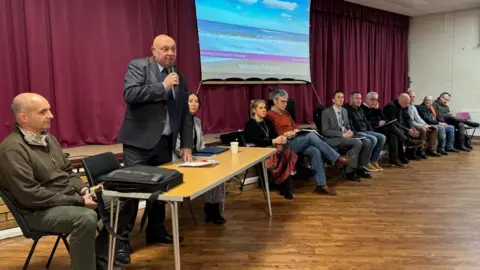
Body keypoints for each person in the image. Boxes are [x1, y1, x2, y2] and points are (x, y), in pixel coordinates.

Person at [0, 93, 134, 270]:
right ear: (23, 117)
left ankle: (99, 257)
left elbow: (67, 172)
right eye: (43, 112)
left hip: (67, 200)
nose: (51, 115)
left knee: (123, 199)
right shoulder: (12, 150)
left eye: (49, 110)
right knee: (85, 218)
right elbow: (29, 195)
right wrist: (78, 201)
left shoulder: (49, 139)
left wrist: (83, 190)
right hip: (37, 211)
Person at [117, 35, 193, 250]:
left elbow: (184, 113)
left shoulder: (180, 77)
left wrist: (186, 143)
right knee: (131, 193)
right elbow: (130, 94)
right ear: (154, 51)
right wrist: (162, 86)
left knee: (160, 190)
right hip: (138, 143)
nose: (170, 53)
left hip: (164, 143)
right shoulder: (138, 66)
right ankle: (121, 240)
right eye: (165, 49)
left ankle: (156, 231)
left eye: (173, 49)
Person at [266, 89, 351, 196]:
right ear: (274, 100)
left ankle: (321, 185)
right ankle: (336, 157)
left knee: (315, 151)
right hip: (284, 145)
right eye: (282, 101)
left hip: (296, 140)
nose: (285, 104)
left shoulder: (286, 113)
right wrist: (285, 134)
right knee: (311, 135)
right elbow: (272, 134)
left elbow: (295, 126)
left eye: (286, 101)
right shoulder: (269, 115)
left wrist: (296, 130)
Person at [173, 93, 226, 223]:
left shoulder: (197, 121)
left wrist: (205, 156)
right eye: (190, 101)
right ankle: (211, 209)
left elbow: (201, 144)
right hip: (181, 162)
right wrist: (191, 157)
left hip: (197, 159)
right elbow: (177, 146)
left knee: (217, 172)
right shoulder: (177, 121)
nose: (194, 104)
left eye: (196, 101)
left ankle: (212, 208)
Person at [244, 99, 297, 199]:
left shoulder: (268, 122)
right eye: (261, 108)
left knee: (286, 150)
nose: (264, 110)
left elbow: (275, 135)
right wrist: (274, 141)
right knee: (282, 153)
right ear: (254, 110)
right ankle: (285, 185)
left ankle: (284, 186)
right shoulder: (250, 123)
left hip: (271, 147)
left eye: (265, 108)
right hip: (258, 150)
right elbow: (257, 140)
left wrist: (282, 139)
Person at [321, 91, 372, 181]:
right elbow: (325, 131)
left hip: (345, 137)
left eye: (342, 97)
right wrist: (342, 134)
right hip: (333, 139)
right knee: (357, 143)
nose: (341, 99)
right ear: (333, 100)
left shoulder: (344, 111)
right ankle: (349, 172)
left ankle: (360, 168)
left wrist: (349, 132)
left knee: (367, 142)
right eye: (338, 97)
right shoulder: (326, 112)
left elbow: (347, 126)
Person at [363, 92, 423, 167]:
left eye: (376, 100)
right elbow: (366, 122)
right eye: (372, 99)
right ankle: (406, 142)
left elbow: (406, 119)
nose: (374, 102)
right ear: (365, 99)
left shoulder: (376, 109)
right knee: (393, 127)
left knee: (394, 133)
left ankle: (396, 158)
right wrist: (377, 123)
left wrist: (411, 128)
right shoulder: (363, 108)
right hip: (373, 129)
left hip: (387, 128)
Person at [344, 92, 386, 171]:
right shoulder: (346, 109)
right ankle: (366, 162)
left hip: (365, 131)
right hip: (357, 131)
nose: (359, 101)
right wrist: (355, 134)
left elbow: (366, 121)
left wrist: (372, 131)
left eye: (360, 99)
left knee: (382, 137)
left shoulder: (360, 109)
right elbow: (349, 124)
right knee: (373, 139)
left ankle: (374, 160)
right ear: (351, 99)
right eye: (356, 98)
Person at [383, 93, 423, 161]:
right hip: (392, 128)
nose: (407, 105)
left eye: (408, 103)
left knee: (417, 131)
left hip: (401, 127)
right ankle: (398, 157)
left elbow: (408, 119)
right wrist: (407, 130)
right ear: (399, 100)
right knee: (396, 134)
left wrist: (412, 128)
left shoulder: (405, 106)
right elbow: (394, 122)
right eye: (405, 102)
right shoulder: (390, 107)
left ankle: (410, 154)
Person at [406, 90, 441, 157]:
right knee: (423, 129)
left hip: (416, 124)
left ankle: (431, 149)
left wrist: (426, 125)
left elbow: (418, 118)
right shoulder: (405, 106)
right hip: (409, 125)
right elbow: (410, 121)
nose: (412, 98)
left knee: (434, 128)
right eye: (411, 96)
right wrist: (424, 126)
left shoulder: (413, 107)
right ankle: (421, 150)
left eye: (414, 97)